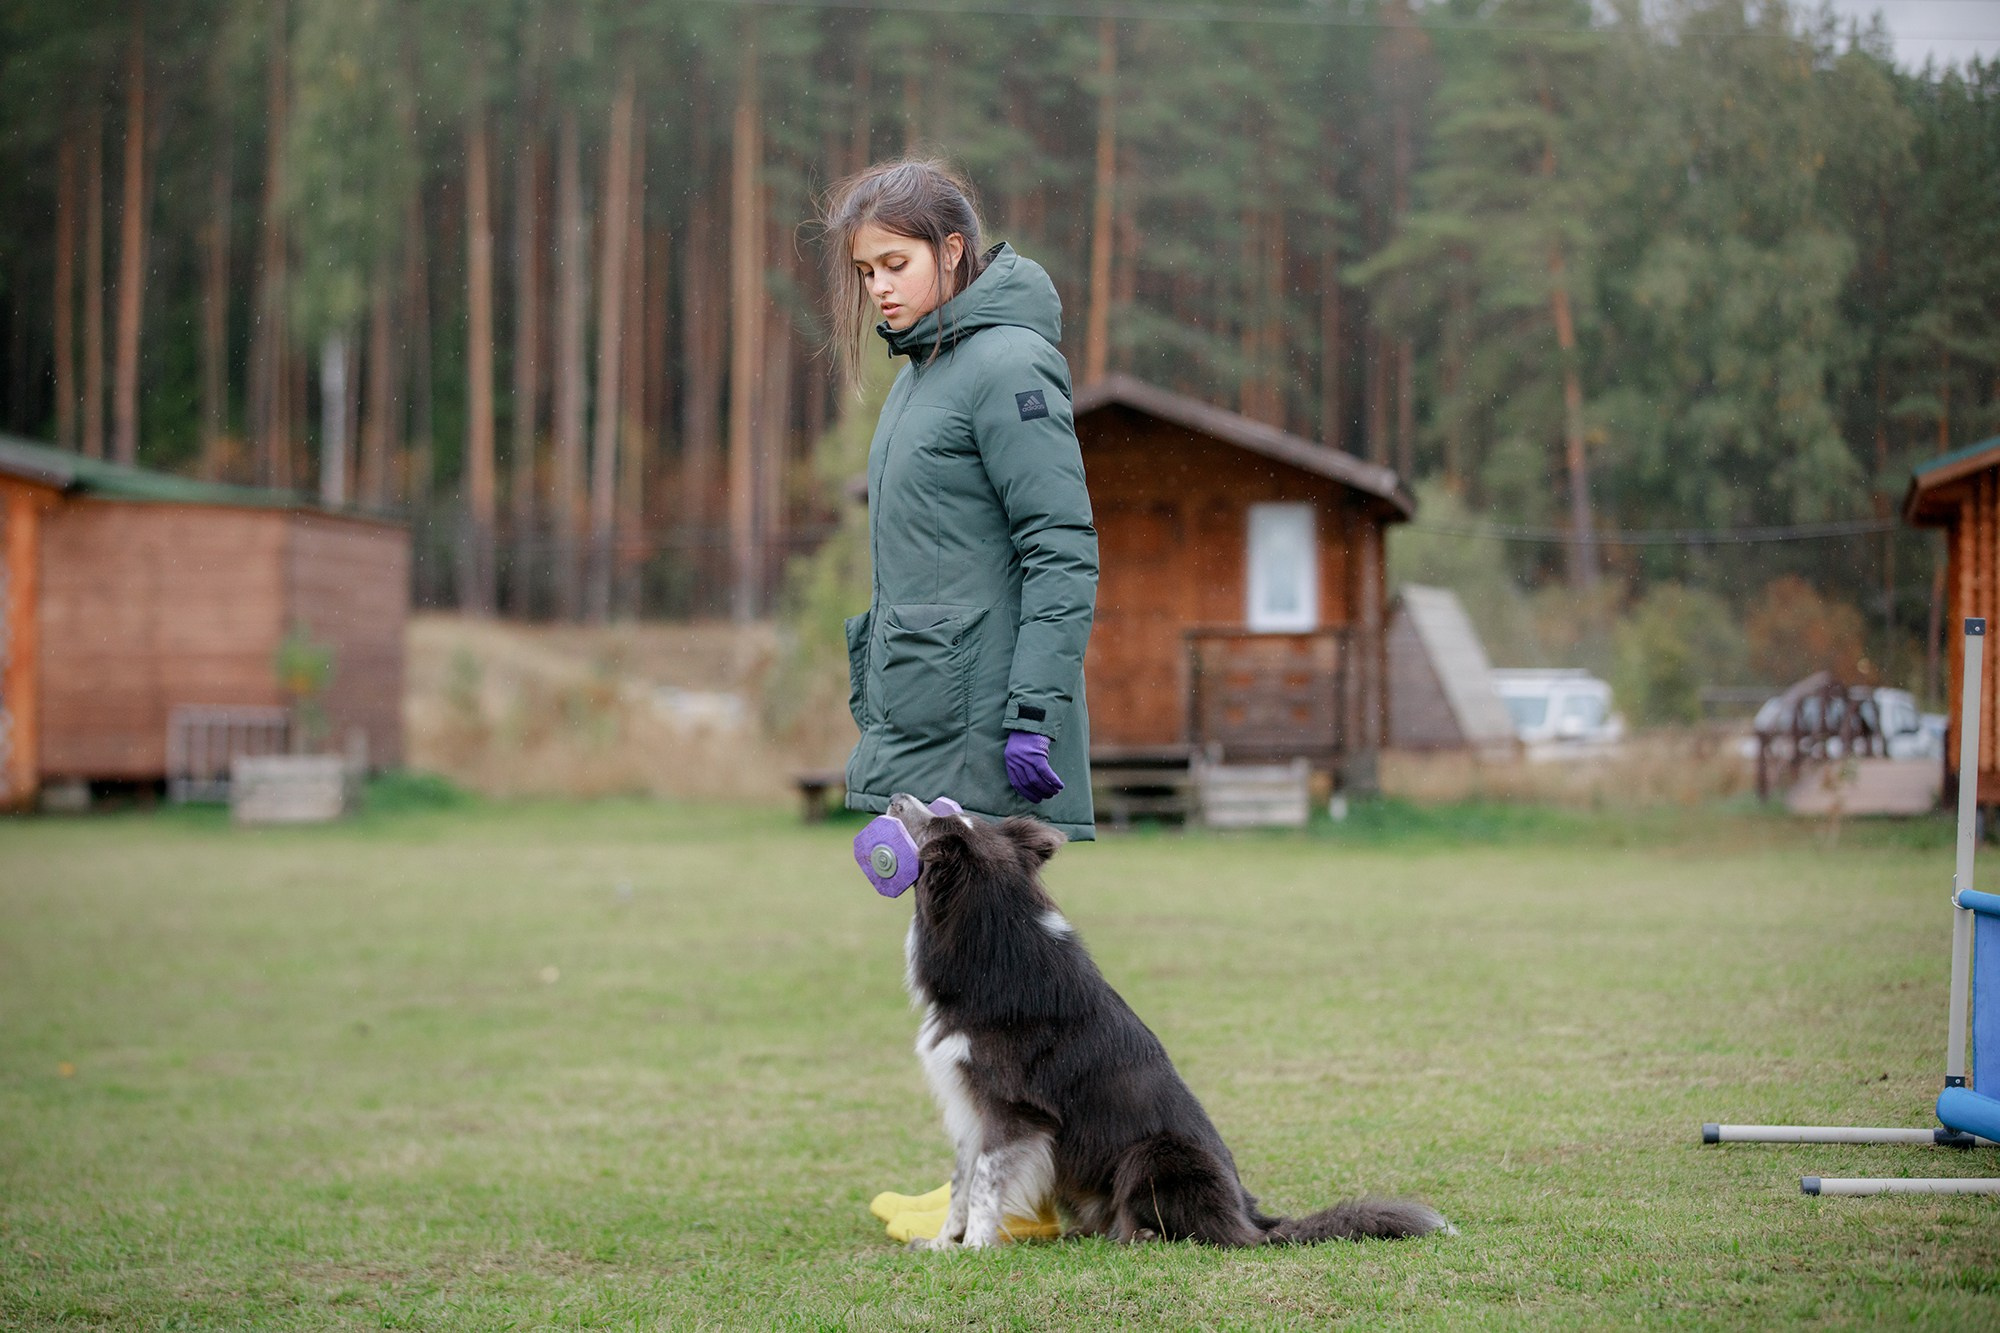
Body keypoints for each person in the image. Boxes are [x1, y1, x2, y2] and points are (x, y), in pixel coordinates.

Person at [822, 158, 1097, 844]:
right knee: (952, 953)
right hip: (928, 726)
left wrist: (1033, 716)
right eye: (866, 272)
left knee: (993, 951)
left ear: (950, 250)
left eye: (894, 263)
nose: (879, 287)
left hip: (990, 738)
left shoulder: (1008, 365)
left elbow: (1060, 548)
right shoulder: (923, 376)